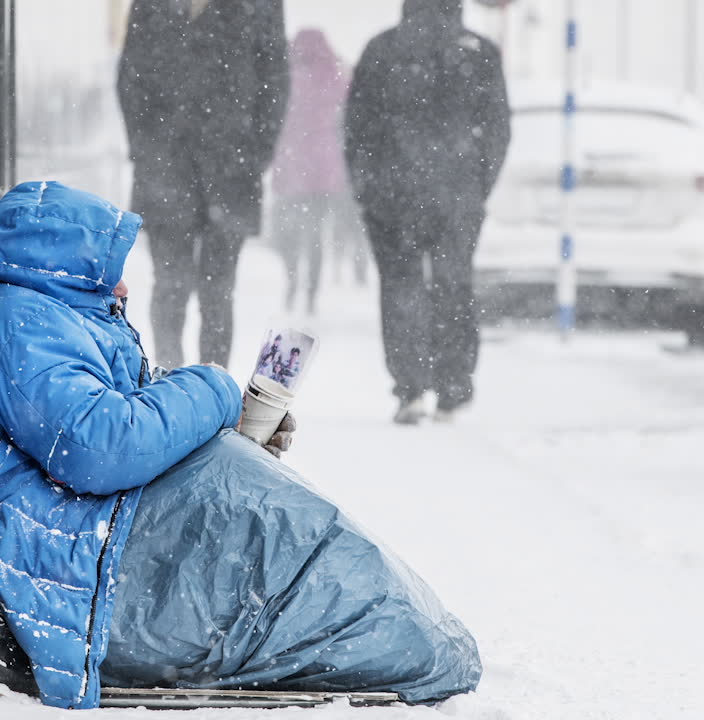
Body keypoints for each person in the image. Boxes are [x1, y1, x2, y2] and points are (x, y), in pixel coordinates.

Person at [0, 182, 481, 709]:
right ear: (58, 263)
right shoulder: (23, 320)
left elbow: (113, 408)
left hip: (101, 531)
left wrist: (219, 428)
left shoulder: (56, 315)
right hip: (88, 555)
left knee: (278, 524)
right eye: (106, 264)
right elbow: (95, 448)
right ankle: (400, 647)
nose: (121, 287)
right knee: (274, 535)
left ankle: (398, 639)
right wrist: (213, 388)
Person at [345, 0, 511, 424]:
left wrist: (367, 185)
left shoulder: (382, 50)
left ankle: (411, 388)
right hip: (456, 195)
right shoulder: (479, 53)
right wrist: (476, 187)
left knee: (401, 285)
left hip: (391, 194)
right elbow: (496, 131)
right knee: (453, 284)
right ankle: (453, 388)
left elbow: (357, 127)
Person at [117, 0, 289, 368]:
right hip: (167, 167)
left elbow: (275, 82)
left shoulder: (260, 6)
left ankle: (211, 386)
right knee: (171, 286)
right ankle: (168, 379)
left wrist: (255, 155)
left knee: (217, 292)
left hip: (231, 170)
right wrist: (145, 149)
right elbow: (130, 79)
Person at [271, 29, 349, 315]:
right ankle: (311, 292)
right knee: (315, 235)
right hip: (323, 173)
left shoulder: (286, 78)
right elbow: (349, 117)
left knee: (289, 233)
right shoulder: (336, 78)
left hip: (292, 168)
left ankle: (292, 279)